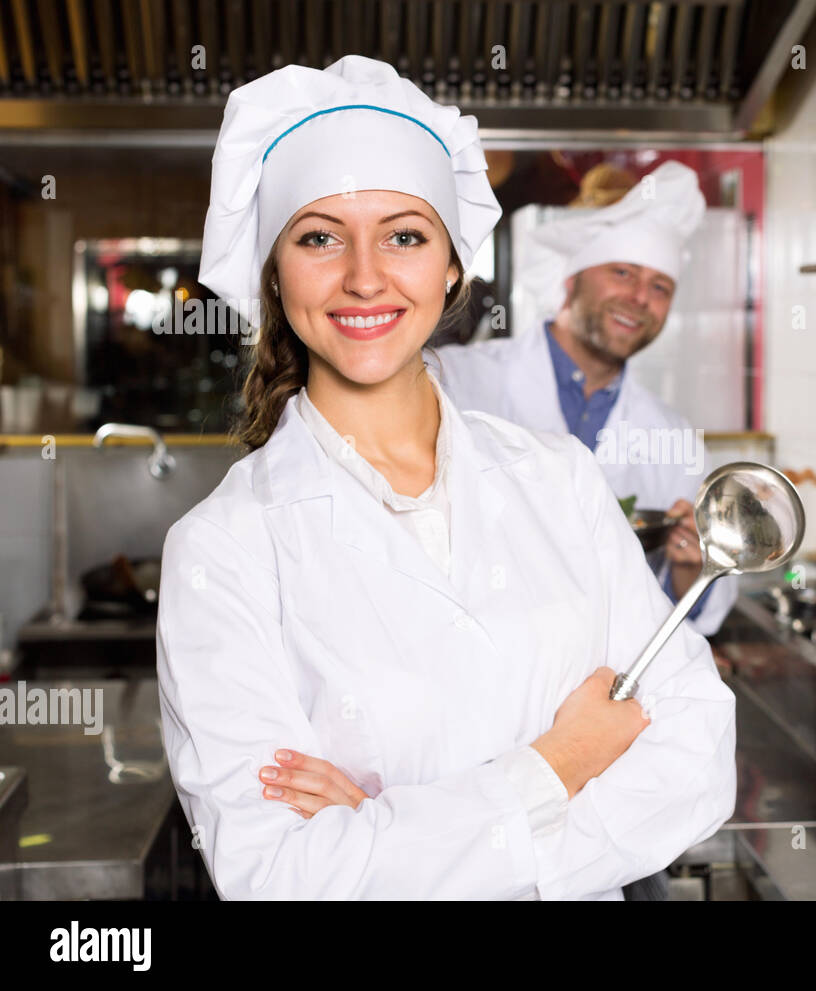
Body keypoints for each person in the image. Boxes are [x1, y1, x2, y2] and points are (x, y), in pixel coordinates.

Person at [155, 55, 735, 900]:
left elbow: (699, 754)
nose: (364, 274)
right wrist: (562, 764)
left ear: (454, 266)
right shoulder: (221, 550)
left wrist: (392, 835)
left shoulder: (560, 482)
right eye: (319, 236)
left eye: (405, 235)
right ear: (275, 275)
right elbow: (277, 875)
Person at [433, 161, 738, 637]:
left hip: (609, 686)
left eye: (660, 287)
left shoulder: (674, 436)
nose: (640, 297)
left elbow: (697, 615)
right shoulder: (458, 380)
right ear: (572, 280)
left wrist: (690, 564)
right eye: (622, 272)